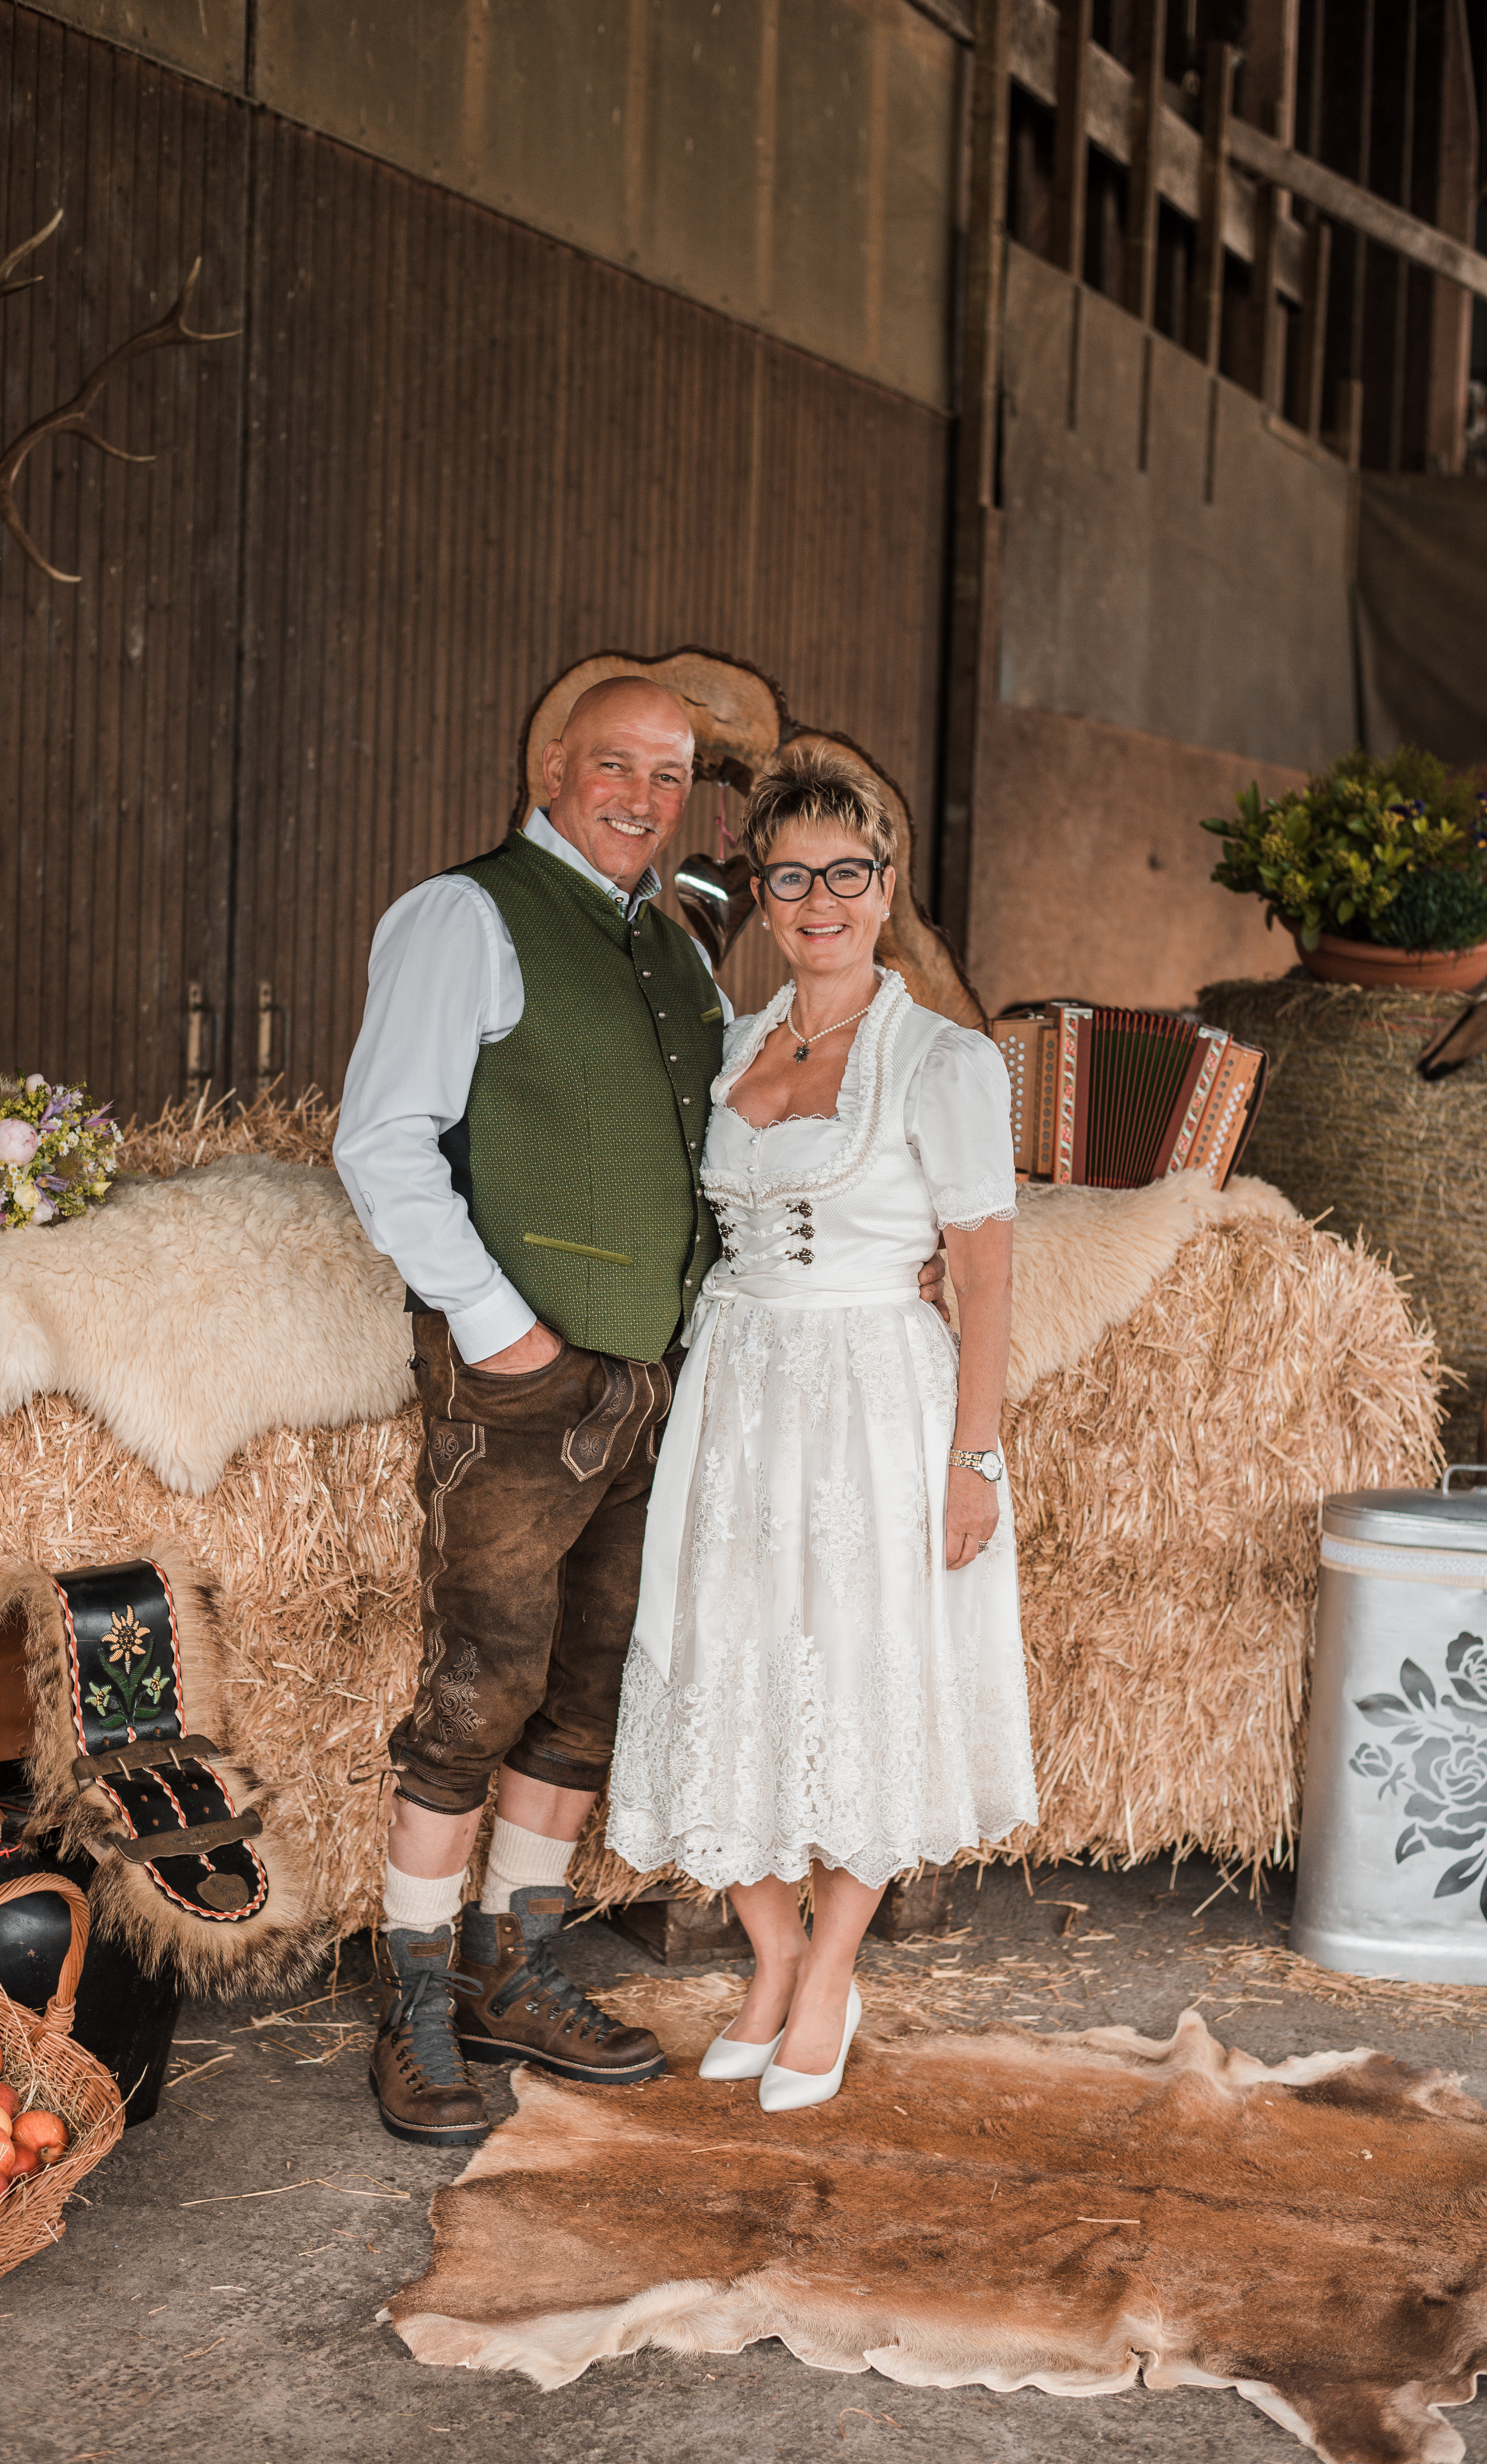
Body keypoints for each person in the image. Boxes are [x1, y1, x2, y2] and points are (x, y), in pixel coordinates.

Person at [605, 744, 1038, 2112]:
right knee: (719, 1656)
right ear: (760, 891)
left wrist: (978, 1458)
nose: (819, 901)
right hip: (740, 1390)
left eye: (845, 874)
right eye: (788, 877)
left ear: (885, 885)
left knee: (862, 1672)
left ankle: (833, 1968)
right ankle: (772, 1952)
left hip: (871, 1397)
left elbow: (981, 1271)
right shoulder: (738, 1044)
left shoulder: (942, 1059)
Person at [334, 676, 730, 2146]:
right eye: (614, 763)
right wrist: (500, 1330)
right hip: (527, 1378)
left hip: (652, 1376)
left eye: (671, 773)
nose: (642, 793)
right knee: (482, 1681)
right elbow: (380, 1138)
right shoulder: (467, 914)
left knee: (590, 1685)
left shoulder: (676, 948)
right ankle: (419, 1993)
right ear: (551, 766)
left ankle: (517, 1961)